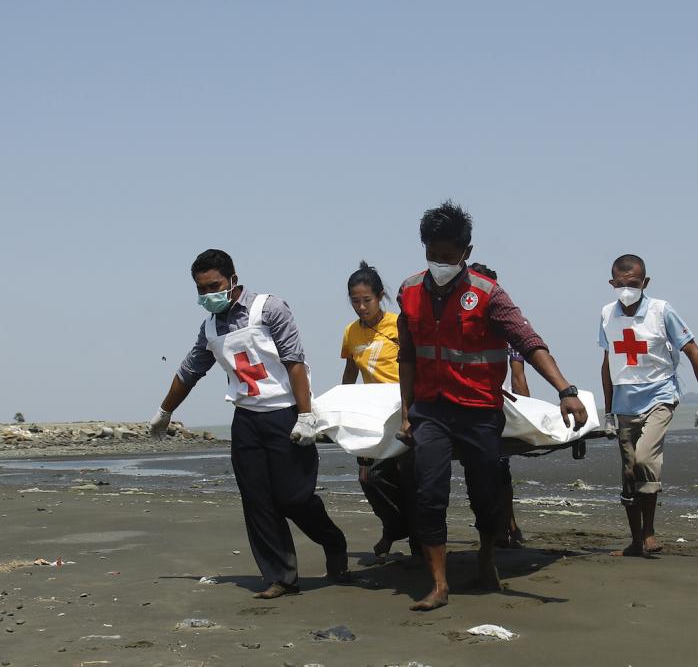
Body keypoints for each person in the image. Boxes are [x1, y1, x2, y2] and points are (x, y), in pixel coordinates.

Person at [397, 201, 588, 611]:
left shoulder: (488, 294)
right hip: (431, 409)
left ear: (466, 251)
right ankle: (439, 583)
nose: (439, 263)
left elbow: (528, 341)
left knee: (486, 492)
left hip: (479, 409)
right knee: (429, 492)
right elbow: (408, 356)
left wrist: (565, 389)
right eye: (432, 255)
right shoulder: (408, 291)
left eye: (448, 256)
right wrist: (405, 411)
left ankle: (486, 557)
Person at [149, 249, 348, 599]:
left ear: (233, 280)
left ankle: (332, 540)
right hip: (246, 420)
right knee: (257, 500)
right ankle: (281, 576)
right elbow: (189, 372)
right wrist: (164, 411)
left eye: (214, 286)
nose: (208, 295)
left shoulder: (269, 309)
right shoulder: (210, 327)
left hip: (285, 413)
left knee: (293, 498)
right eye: (200, 289)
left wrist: (305, 414)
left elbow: (294, 361)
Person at [600, 254, 698, 557]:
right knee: (629, 472)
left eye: (634, 283)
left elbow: (693, 351)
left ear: (645, 283)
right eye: (621, 284)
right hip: (624, 403)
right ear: (612, 283)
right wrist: (608, 410)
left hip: (659, 397)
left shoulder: (661, 311)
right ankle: (636, 540)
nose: (627, 289)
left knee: (644, 460)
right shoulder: (606, 315)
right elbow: (608, 363)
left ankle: (649, 531)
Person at [340, 261, 419, 561]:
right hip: (372, 415)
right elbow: (349, 372)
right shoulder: (351, 332)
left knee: (408, 478)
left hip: (405, 409)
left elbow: (416, 363)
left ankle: (416, 547)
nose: (361, 307)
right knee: (368, 479)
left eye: (366, 300)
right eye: (355, 301)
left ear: (380, 296)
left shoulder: (399, 324)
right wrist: (342, 407)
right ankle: (395, 527)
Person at [469, 262, 530, 548]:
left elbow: (518, 377)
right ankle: (505, 526)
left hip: (495, 409)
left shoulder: (509, 326)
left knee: (496, 471)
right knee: (491, 471)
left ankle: (504, 527)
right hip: (472, 408)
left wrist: (527, 414)